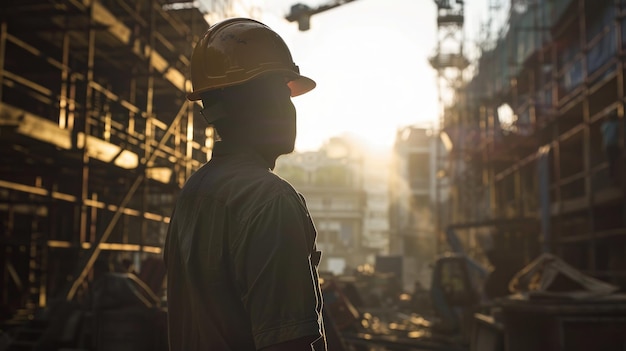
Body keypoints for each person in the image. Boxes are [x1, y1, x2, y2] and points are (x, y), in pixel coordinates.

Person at [163, 18, 326, 351]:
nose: (291, 110)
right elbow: (287, 343)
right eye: (280, 94)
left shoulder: (194, 193)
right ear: (245, 104)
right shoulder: (270, 200)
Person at [601, 112, 621, 185]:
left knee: (611, 162)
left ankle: (612, 179)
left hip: (607, 146)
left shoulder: (605, 126)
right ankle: (615, 179)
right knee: (615, 161)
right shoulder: (615, 124)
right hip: (613, 145)